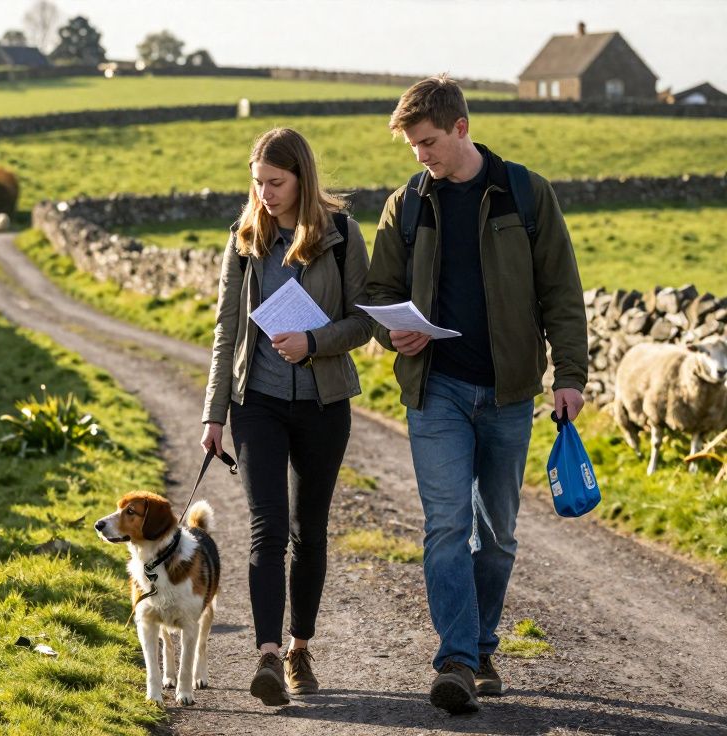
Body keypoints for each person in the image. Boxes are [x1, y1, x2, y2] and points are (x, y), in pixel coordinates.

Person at [364, 74, 588, 715]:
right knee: (446, 527)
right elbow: (378, 293)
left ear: (460, 127)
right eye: (413, 146)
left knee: (497, 536)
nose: (421, 156)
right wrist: (393, 334)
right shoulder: (405, 206)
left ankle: (482, 646)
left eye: (428, 142)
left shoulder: (526, 193)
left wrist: (569, 375)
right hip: (436, 390)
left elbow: (562, 292)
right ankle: (457, 661)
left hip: (510, 393)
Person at [200, 127, 374, 706]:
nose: (265, 194)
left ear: (302, 177)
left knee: (309, 530)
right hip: (257, 405)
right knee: (267, 528)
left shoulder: (343, 235)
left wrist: (313, 342)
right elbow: (226, 330)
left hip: (325, 406)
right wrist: (213, 415)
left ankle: (300, 648)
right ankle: (268, 656)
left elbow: (364, 322)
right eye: (257, 183)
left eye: (275, 183)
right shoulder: (244, 238)